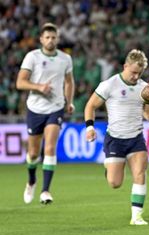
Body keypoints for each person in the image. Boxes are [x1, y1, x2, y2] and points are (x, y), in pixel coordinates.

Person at [84, 49, 149, 225]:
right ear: (125, 66)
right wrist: (89, 127)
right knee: (115, 183)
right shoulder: (110, 84)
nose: (136, 76)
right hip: (115, 138)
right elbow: (90, 105)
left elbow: (147, 113)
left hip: (136, 138)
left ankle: (136, 216)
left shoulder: (144, 88)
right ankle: (109, 168)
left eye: (140, 73)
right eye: (133, 72)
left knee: (140, 173)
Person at [17, 23, 75, 204]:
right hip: (35, 108)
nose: (50, 40)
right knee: (33, 153)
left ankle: (45, 191)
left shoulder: (65, 59)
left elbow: (69, 82)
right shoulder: (32, 57)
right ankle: (32, 180)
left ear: (57, 39)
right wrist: (38, 87)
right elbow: (20, 83)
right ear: (41, 39)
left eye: (53, 37)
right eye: (47, 37)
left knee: (49, 148)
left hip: (55, 107)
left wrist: (69, 101)